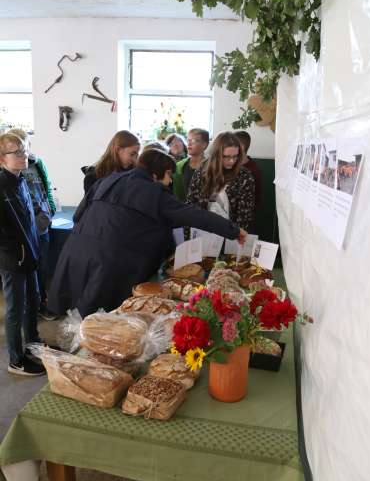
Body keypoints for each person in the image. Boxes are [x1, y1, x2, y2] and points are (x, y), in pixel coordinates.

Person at [48, 149, 246, 317]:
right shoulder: (154, 193)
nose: (169, 182)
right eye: (169, 174)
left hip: (76, 251)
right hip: (110, 261)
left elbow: (78, 215)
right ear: (156, 173)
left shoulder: (108, 180)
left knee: (76, 313)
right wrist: (233, 230)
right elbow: (193, 215)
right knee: (100, 323)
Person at [0, 132, 46, 376]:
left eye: (25, 150)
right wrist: (16, 249)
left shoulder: (21, 180)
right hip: (13, 259)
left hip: (29, 254)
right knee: (15, 309)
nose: (23, 155)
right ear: (1, 158)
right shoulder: (1, 186)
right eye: (16, 152)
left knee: (34, 300)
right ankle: (16, 360)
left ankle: (33, 344)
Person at [8, 129, 57, 321]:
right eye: (19, 149)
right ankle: (30, 306)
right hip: (23, 227)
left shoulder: (37, 163)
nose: (24, 152)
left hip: (41, 223)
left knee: (41, 265)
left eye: (25, 146)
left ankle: (41, 302)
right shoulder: (8, 171)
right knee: (26, 270)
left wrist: (50, 209)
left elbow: (47, 187)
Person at [186, 131, 255, 232]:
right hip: (204, 231)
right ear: (216, 154)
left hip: (231, 234)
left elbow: (244, 216)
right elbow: (191, 204)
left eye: (235, 156)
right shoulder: (202, 170)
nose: (232, 161)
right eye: (226, 157)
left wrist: (236, 236)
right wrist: (188, 234)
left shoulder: (245, 176)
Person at [173, 128, 209, 201]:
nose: (189, 144)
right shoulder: (179, 166)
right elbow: (176, 194)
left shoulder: (212, 166)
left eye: (194, 141)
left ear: (204, 145)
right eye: (188, 140)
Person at [234, 130, 263, 209]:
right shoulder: (229, 165)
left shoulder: (253, 170)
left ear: (241, 147)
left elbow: (256, 200)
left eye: (232, 144)